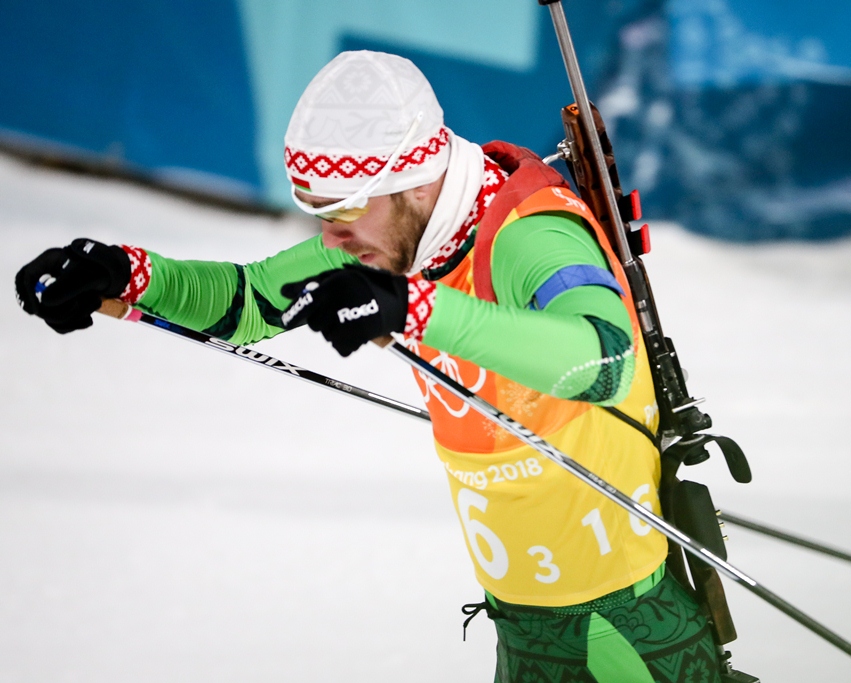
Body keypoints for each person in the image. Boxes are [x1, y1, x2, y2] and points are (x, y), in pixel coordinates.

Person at [15, 51, 721, 683]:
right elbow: (252, 299)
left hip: (623, 626)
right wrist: (127, 273)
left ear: (415, 183)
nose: (330, 239)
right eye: (314, 211)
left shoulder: (528, 234)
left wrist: (412, 307)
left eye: (344, 210)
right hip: (527, 620)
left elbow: (603, 355)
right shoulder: (401, 236)